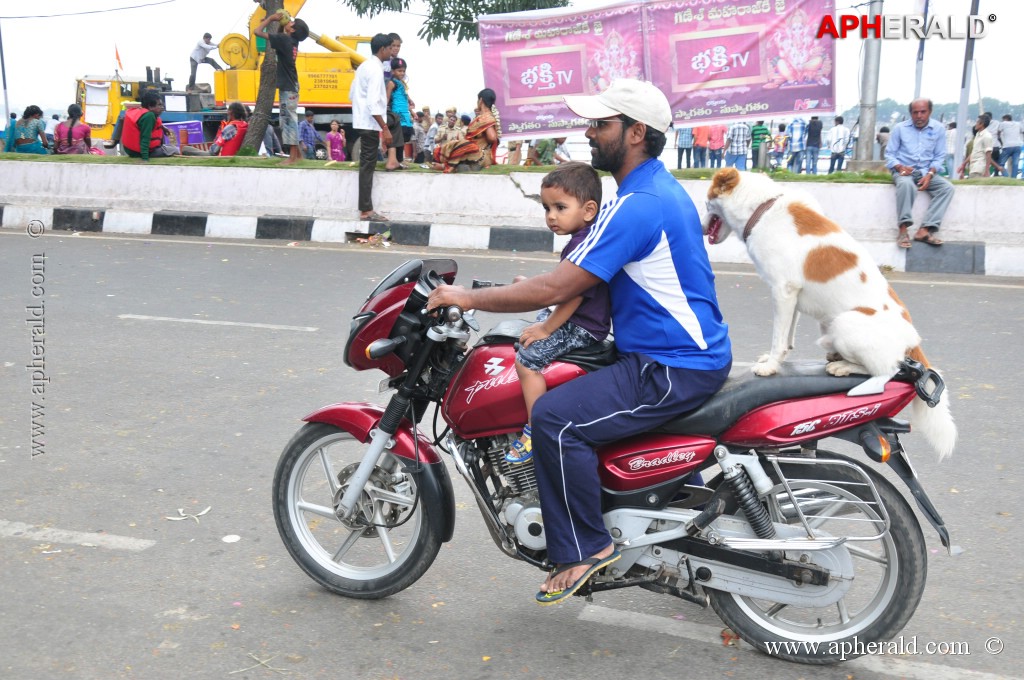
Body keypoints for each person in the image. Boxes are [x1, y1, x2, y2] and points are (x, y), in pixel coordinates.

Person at [426, 78, 732, 604]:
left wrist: (471, 299)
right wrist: (525, 294)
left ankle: (587, 549)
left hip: (670, 365)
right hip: (668, 353)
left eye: (601, 124)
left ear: (636, 133)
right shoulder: (653, 190)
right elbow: (570, 281)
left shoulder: (637, 204)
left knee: (554, 418)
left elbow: (562, 285)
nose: (589, 133)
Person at [505, 162, 611, 464]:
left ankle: (535, 428)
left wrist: (546, 329)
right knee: (526, 331)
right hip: (580, 317)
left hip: (583, 326)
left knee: (526, 360)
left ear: (588, 210)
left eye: (560, 207)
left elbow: (573, 295)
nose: (551, 216)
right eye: (547, 208)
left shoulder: (582, 245)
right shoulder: (585, 238)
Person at [884, 98, 954, 248]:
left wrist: (930, 174)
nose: (919, 116)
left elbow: (939, 156)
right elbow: (889, 154)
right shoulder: (900, 128)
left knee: (947, 188)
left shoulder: (938, 129)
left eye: (923, 112)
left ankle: (925, 230)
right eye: (915, 112)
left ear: (930, 112)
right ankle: (903, 230)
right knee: (905, 185)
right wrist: (899, 167)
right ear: (911, 113)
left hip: (926, 172)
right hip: (904, 171)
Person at [350, 33, 397, 221]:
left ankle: (393, 157)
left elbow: (352, 94)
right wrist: (384, 129)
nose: (392, 52)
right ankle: (366, 210)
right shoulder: (376, 70)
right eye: (390, 48)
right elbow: (372, 103)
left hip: (363, 120)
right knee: (367, 166)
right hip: (369, 122)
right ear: (382, 49)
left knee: (367, 164)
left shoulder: (363, 67)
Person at [254, 11, 309, 165]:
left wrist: (271, 19)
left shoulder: (285, 40)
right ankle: (297, 156)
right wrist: (279, 25)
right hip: (291, 85)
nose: (289, 22)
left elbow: (256, 32)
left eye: (292, 23)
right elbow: (277, 38)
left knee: (288, 120)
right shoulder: (291, 41)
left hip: (288, 87)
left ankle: (292, 158)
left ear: (292, 30)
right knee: (288, 119)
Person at [432, 88, 500, 173]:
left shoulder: (487, 118)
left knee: (464, 145)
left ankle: (447, 166)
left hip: (480, 154)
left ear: (481, 100)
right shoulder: (481, 117)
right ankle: (459, 165)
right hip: (472, 152)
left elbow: (492, 137)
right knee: (452, 145)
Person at [121, 90, 177, 161]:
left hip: (131, 150)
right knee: (175, 149)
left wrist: (162, 127)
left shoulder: (143, 112)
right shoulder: (149, 116)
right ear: (150, 106)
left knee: (168, 147)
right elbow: (145, 138)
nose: (162, 107)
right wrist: (145, 159)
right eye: (159, 105)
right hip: (140, 152)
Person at [386, 57, 413, 170]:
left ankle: (399, 160)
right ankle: (396, 160)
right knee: (397, 138)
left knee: (404, 137)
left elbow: (405, 97)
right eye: (399, 71)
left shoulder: (402, 83)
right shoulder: (392, 83)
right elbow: (387, 98)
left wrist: (411, 108)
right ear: (393, 71)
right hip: (397, 114)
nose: (402, 73)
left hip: (405, 115)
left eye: (403, 71)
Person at [959, 113, 1002, 179]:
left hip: (980, 168)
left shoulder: (987, 136)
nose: (975, 124)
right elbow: (974, 153)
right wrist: (963, 164)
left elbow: (988, 154)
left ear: (982, 124)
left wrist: (987, 170)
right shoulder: (978, 135)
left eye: (977, 122)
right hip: (974, 167)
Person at [996, 114, 1021, 179]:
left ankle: (1006, 176)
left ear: (1005, 119)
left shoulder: (1003, 123)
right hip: (1017, 146)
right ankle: (1013, 178)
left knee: (1000, 163)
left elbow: (998, 133)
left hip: (1007, 146)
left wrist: (1001, 142)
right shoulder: (1018, 124)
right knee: (1015, 164)